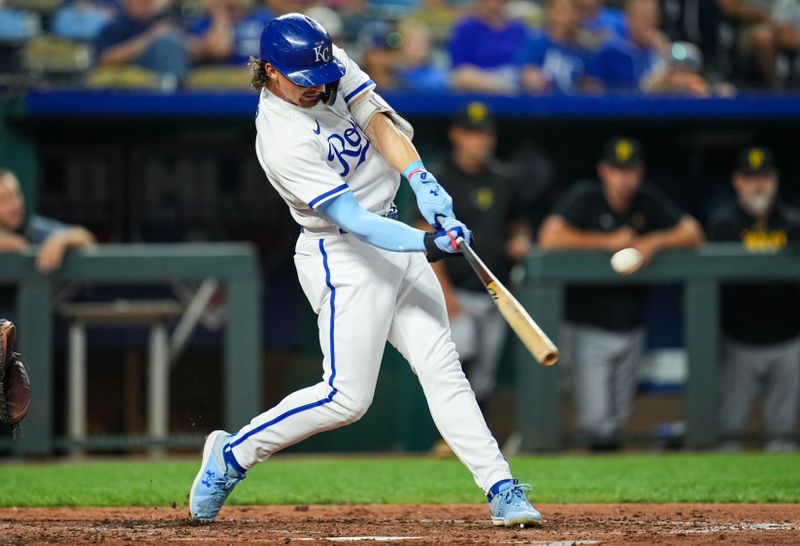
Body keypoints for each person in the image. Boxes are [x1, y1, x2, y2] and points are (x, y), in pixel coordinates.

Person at [188, 13, 542, 528]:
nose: (318, 88)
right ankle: (232, 454)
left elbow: (378, 120)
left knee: (442, 366)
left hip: (392, 229)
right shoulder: (280, 138)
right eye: (304, 82)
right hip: (343, 254)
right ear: (269, 72)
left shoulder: (324, 65)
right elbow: (354, 220)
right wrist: (427, 242)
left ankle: (501, 487)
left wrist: (420, 178)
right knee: (346, 398)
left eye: (322, 76)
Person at [538, 137, 703, 450]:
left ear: (639, 172)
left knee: (617, 419)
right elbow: (549, 236)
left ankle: (610, 492)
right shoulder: (586, 198)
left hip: (632, 327)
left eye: (629, 170)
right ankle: (591, 490)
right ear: (604, 170)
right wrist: (606, 241)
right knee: (596, 423)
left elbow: (692, 232)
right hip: (587, 326)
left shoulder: (646, 201)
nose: (623, 178)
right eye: (616, 169)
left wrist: (653, 242)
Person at [424, 101, 529, 424]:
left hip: (496, 291)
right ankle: (450, 438)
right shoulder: (439, 178)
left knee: (484, 380)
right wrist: (448, 298)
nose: (480, 140)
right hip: (457, 291)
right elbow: (424, 240)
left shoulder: (504, 179)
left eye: (485, 133)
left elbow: (518, 224)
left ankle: (475, 444)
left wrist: (521, 239)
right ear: (457, 135)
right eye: (472, 133)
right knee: (458, 366)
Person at [707, 146, 800, 453]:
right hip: (739, 341)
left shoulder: (793, 222)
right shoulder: (723, 223)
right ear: (737, 181)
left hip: (788, 339)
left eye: (764, 177)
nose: (757, 185)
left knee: (784, 432)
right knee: (729, 429)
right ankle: (717, 501)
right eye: (750, 178)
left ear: (775, 180)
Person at [0, 169, 96, 272]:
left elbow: (86, 237)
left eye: (16, 196)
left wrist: (62, 239)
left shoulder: (32, 229)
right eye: (3, 200)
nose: (14, 206)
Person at [94, 0, 190, 88]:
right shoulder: (115, 26)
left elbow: (192, 47)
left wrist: (179, 37)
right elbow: (105, 58)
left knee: (169, 44)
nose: (144, 2)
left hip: (176, 67)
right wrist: (151, 37)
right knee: (164, 44)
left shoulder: (164, 20)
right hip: (137, 69)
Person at [449, 0, 528, 93]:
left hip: (513, 76)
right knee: (462, 77)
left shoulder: (519, 29)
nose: (492, 5)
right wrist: (495, 83)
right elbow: (461, 67)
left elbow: (526, 62)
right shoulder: (465, 28)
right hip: (479, 81)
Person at [518, 0, 596, 94]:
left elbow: (593, 86)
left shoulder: (586, 48)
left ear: (578, 15)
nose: (564, 18)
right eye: (560, 11)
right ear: (550, 12)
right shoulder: (536, 44)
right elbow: (527, 75)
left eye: (570, 12)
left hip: (576, 105)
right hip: (542, 106)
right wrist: (533, 79)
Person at [589, 0, 668, 92]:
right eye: (639, 18)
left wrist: (663, 54)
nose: (644, 25)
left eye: (649, 18)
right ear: (626, 18)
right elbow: (591, 90)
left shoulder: (658, 55)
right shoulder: (610, 52)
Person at [187, 0, 274, 66]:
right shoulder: (204, 24)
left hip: (263, 78)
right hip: (227, 85)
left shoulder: (262, 17)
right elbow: (220, 49)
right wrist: (220, 13)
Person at [717, 0, 777, 87]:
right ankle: (773, 85)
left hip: (779, 23)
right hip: (746, 25)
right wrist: (761, 15)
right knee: (763, 38)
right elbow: (730, 7)